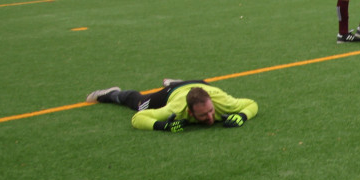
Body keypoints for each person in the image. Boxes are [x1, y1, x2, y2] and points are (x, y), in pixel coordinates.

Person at [86, 79, 258, 132]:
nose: (210, 118)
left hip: (200, 84)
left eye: (211, 111)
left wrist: (242, 116)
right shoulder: (175, 109)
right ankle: (112, 94)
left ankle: (176, 80)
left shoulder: (224, 103)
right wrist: (164, 126)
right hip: (174, 92)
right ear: (190, 113)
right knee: (139, 104)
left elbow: (252, 104)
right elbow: (137, 119)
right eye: (203, 115)